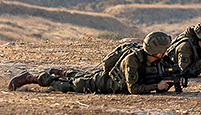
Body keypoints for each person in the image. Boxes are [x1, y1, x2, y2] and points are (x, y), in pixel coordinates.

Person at [8, 32, 175, 94]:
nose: (167, 52)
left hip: (106, 77)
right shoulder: (133, 60)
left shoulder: (155, 58)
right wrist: (156, 87)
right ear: (157, 52)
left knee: (83, 75)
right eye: (165, 50)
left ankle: (63, 72)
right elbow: (133, 89)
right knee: (70, 86)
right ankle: (34, 77)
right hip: (102, 85)